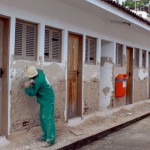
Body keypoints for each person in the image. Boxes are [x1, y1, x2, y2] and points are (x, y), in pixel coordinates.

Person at [22, 66, 56, 146]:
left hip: (47, 99)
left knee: (48, 118)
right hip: (45, 99)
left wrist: (27, 87)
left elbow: (32, 93)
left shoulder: (38, 82)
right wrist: (31, 81)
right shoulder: (40, 72)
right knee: (42, 117)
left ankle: (51, 139)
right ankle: (45, 136)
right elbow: (35, 78)